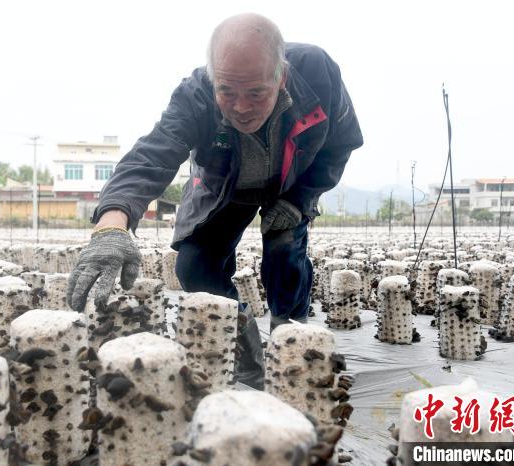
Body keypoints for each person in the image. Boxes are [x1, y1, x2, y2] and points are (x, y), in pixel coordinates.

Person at [66, 13, 363, 390]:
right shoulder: (195, 95)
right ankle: (249, 361)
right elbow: (151, 157)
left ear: (280, 77)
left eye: (256, 93)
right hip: (224, 187)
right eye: (227, 91)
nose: (240, 107)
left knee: (285, 250)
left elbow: (341, 143)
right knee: (194, 267)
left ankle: (291, 345)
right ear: (213, 79)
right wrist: (111, 224)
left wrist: (301, 198)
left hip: (289, 184)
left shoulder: (317, 76)